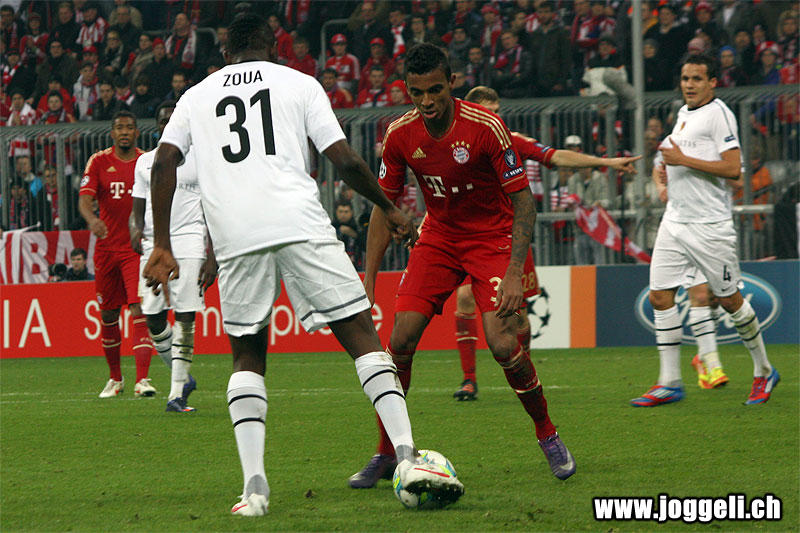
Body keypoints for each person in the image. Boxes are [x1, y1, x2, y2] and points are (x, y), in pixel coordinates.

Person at [142, 14, 464, 516]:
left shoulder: (196, 96)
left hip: (236, 236)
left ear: (225, 55)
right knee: (361, 335)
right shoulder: (300, 83)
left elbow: (163, 162)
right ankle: (406, 455)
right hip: (300, 222)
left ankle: (254, 490)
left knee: (247, 356)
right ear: (274, 49)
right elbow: (346, 161)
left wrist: (162, 244)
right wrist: (389, 207)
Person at [352, 43, 575, 489]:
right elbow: (382, 208)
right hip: (439, 237)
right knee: (400, 339)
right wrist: (368, 280)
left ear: (452, 82)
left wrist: (514, 272)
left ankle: (547, 434)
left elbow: (524, 203)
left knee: (503, 343)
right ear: (407, 90)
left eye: (436, 90)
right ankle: (387, 452)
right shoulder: (399, 135)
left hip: (491, 237)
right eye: (417, 93)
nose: (427, 101)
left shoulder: (486, 127)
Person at [450, 86, 639, 401]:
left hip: (510, 239)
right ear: (471, 113)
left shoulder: (511, 140)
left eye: (498, 112)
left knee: (518, 317)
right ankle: (469, 380)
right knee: (465, 298)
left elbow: (556, 156)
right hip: (471, 238)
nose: (496, 118)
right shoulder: (454, 147)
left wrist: (605, 163)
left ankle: (524, 371)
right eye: (488, 112)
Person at [630, 54, 778, 408]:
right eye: (685, 78)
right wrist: (667, 173)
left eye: (697, 78)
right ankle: (669, 382)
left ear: (713, 82)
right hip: (675, 221)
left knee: (729, 300)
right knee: (659, 296)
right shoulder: (683, 115)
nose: (689, 85)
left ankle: (764, 370)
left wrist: (682, 162)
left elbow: (733, 169)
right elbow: (673, 157)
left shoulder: (719, 114)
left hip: (709, 226)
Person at [131, 100, 215, 413]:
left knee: (185, 313)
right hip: (154, 243)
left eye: (172, 120)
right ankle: (183, 377)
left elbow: (212, 208)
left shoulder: (201, 160)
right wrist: (135, 230)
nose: (167, 124)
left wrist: (212, 256)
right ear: (157, 125)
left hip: (190, 240)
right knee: (152, 316)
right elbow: (137, 209)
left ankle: (176, 392)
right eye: (163, 120)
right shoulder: (145, 162)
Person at [79, 110, 155, 399]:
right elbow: (85, 199)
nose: (124, 132)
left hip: (135, 248)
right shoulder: (98, 161)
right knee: (108, 313)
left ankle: (143, 379)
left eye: (129, 127)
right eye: (120, 127)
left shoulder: (146, 161)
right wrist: (91, 219)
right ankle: (115, 379)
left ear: (136, 132)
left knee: (138, 309)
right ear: (112, 133)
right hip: (106, 249)